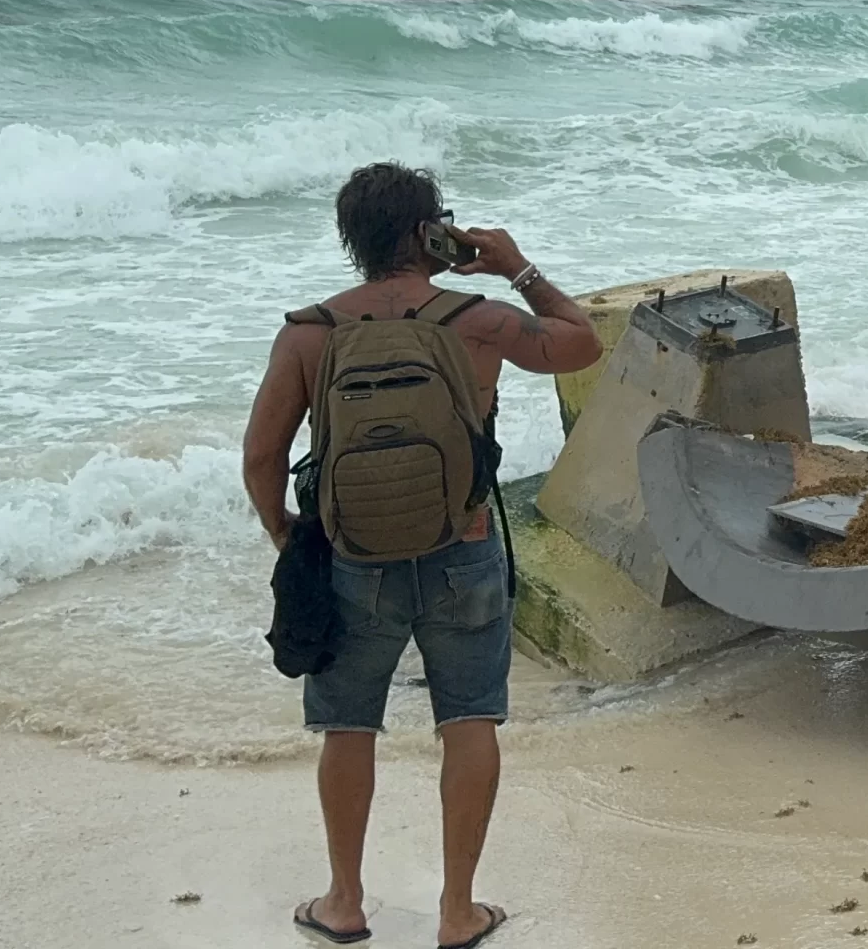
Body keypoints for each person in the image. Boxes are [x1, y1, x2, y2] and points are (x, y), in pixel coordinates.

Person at [242, 162, 602, 948]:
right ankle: (456, 912)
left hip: (351, 560)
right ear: (428, 233)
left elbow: (262, 457)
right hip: (463, 553)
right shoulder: (478, 321)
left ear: (353, 242)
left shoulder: (310, 331)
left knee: (347, 728)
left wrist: (290, 537)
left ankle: (343, 903)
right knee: (469, 721)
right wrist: (517, 267)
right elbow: (582, 345)